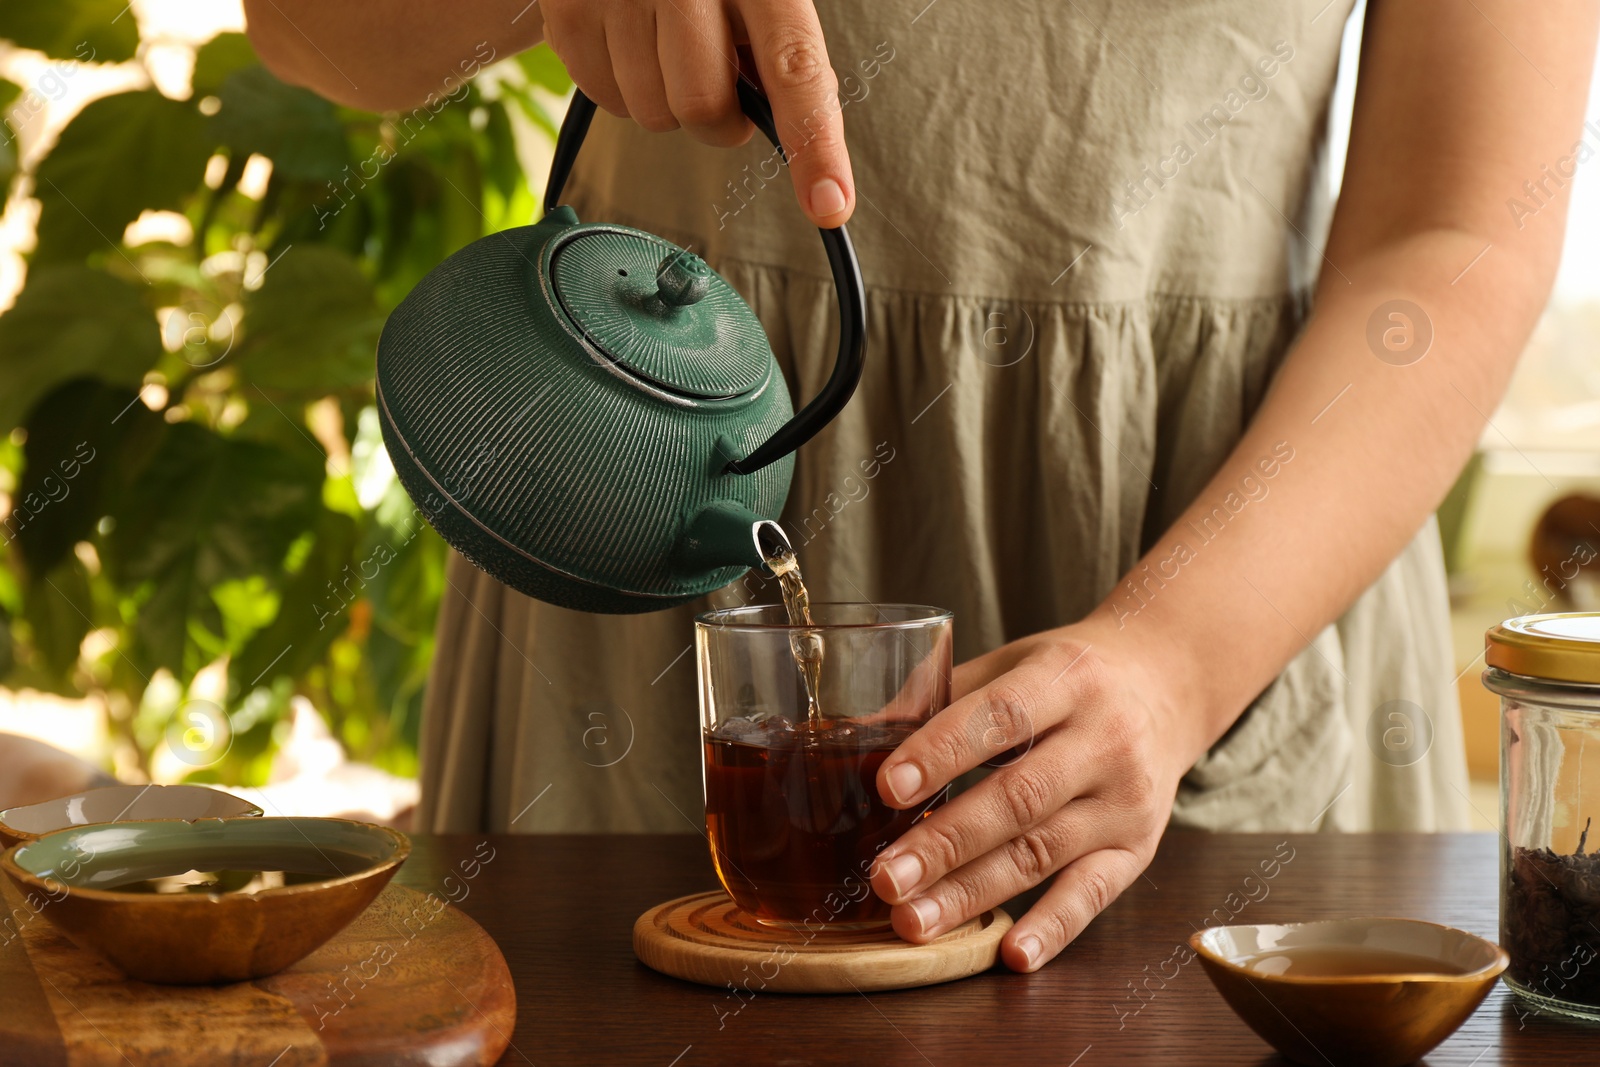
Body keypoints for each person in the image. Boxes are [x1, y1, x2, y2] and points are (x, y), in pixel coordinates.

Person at [246, 0, 1599, 971]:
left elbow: (1457, 233)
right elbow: (307, 28)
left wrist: (1180, 662)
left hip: (1223, 557)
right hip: (647, 491)